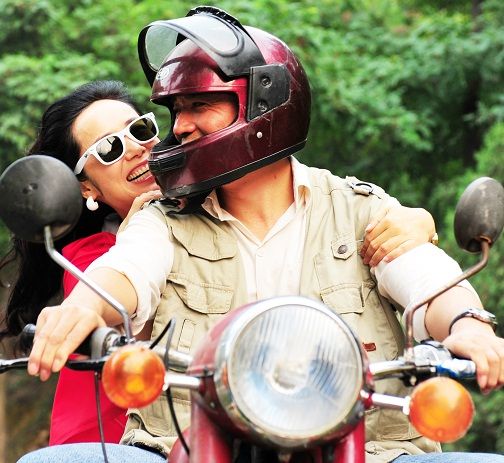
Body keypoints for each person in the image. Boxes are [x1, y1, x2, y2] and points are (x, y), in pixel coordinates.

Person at [19, 6, 504, 463]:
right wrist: (83, 307)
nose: (180, 127)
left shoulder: (359, 210)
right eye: (176, 111)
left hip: (372, 450)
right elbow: (126, 271)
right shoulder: (162, 221)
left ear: (263, 105)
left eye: (198, 106)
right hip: (182, 448)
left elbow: (426, 279)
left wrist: (468, 325)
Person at [0, 80, 162, 445]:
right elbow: (120, 302)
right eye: (109, 148)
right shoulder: (90, 260)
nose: (136, 148)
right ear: (87, 188)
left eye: (139, 130)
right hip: (112, 446)